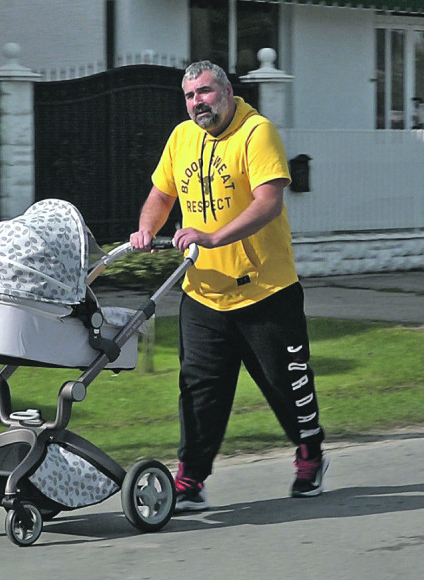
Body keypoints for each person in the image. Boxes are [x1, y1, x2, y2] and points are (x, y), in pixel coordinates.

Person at [130, 60, 327, 512]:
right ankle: (190, 479)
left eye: (204, 92)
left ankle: (310, 456)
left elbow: (268, 202)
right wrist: (146, 229)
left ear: (227, 91)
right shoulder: (182, 137)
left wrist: (214, 237)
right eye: (189, 96)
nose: (197, 102)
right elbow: (162, 194)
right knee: (199, 391)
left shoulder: (257, 132)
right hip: (203, 292)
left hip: (265, 291)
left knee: (285, 384)